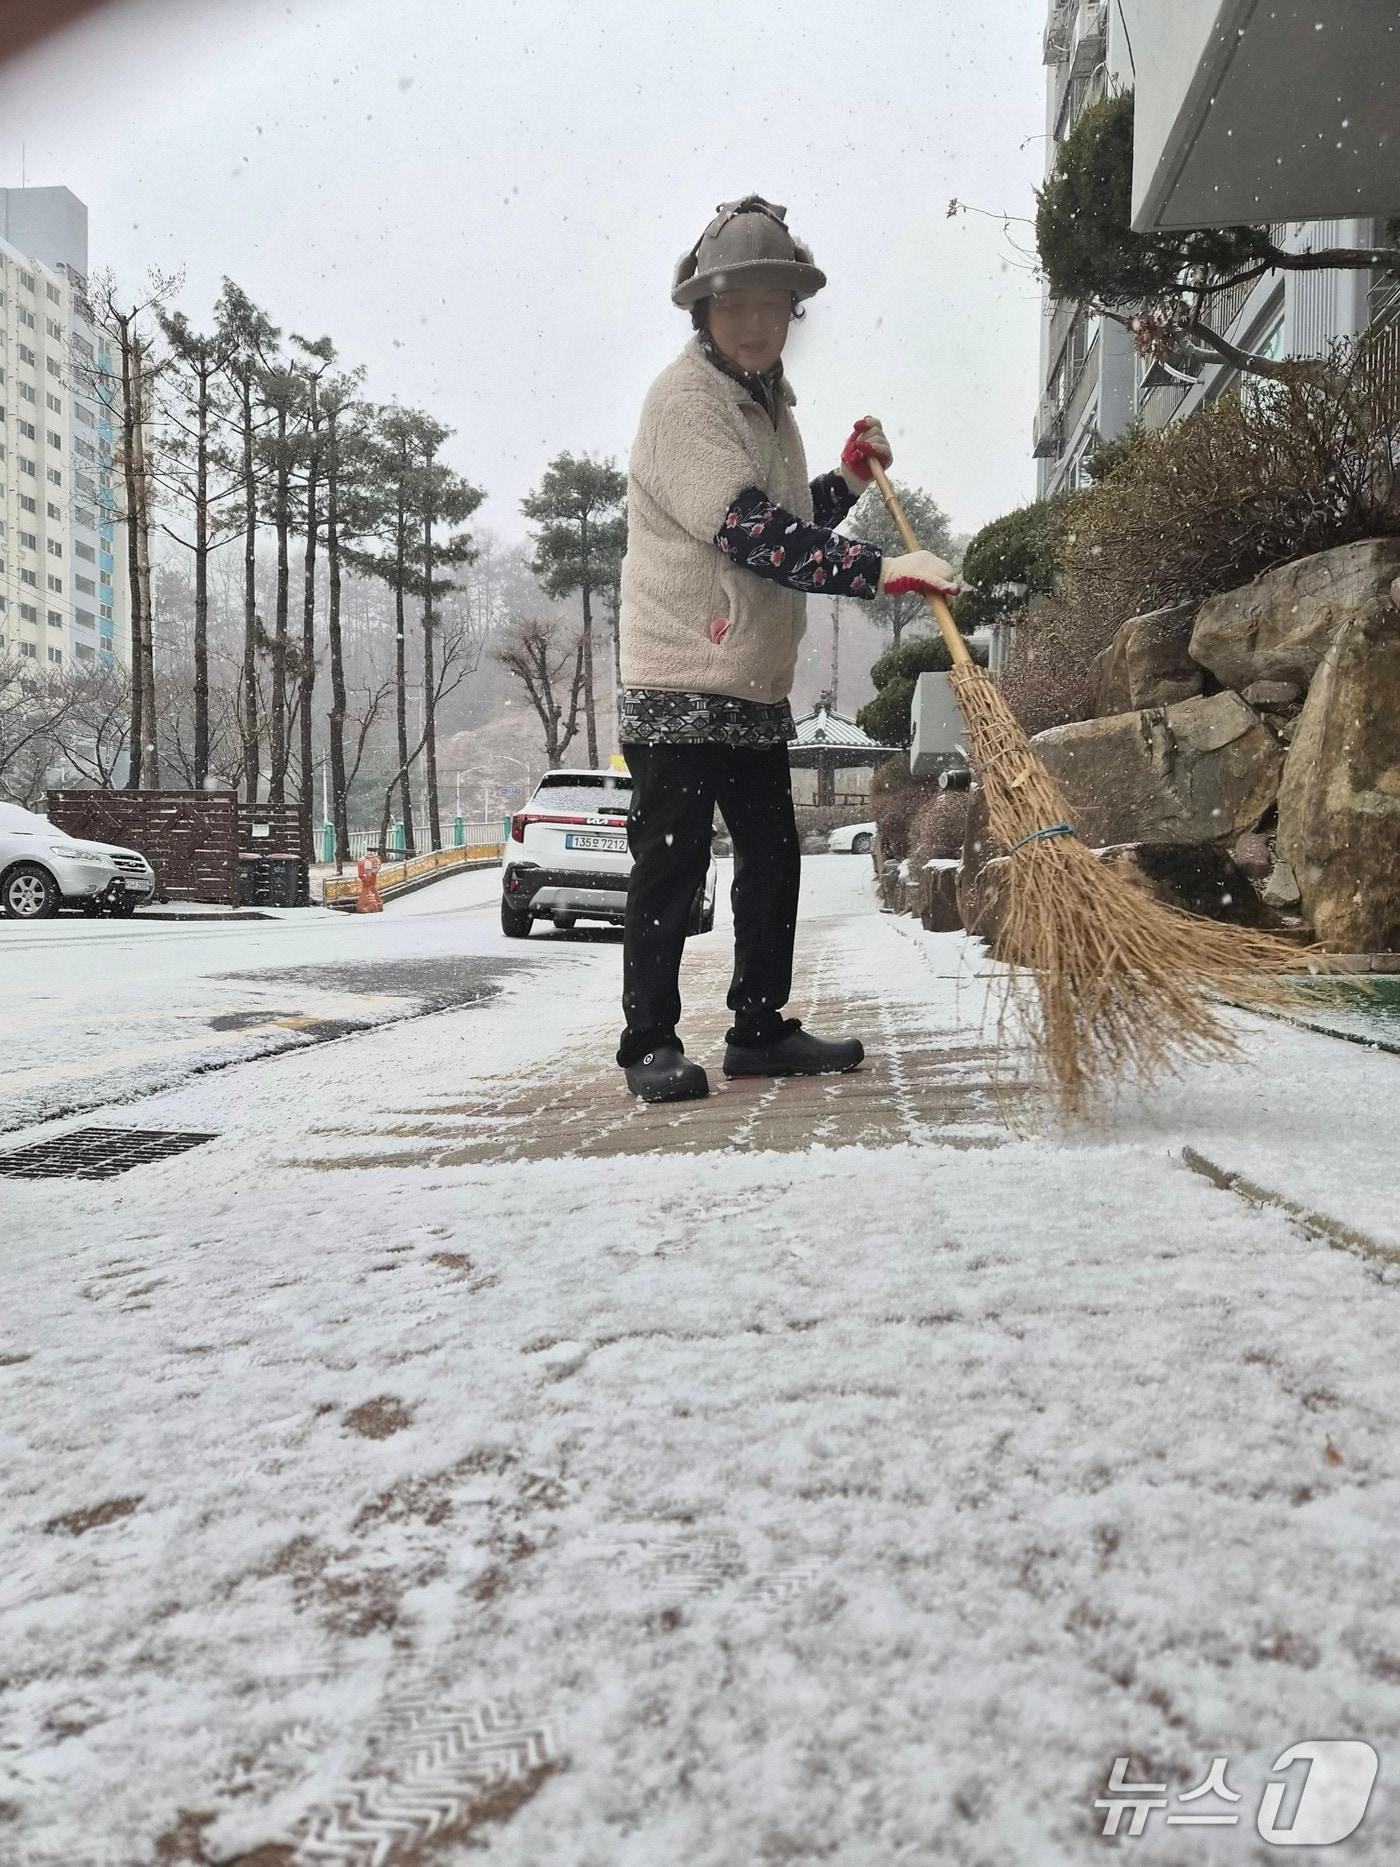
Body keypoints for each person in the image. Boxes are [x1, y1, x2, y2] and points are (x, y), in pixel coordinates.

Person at [615, 194, 960, 1104]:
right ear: (704, 311)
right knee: (672, 865)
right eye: (737, 306)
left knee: (772, 858)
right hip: (680, 675)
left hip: (751, 683)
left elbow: (790, 518)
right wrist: (883, 569)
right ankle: (647, 1040)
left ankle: (758, 1029)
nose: (759, 323)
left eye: (775, 306)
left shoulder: (770, 405)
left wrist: (845, 478)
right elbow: (748, 532)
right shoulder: (684, 401)